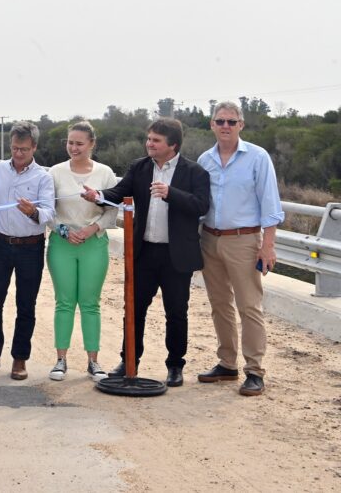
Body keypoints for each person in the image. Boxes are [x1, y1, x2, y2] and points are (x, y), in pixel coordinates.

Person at [82, 118, 210, 388]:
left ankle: (175, 366)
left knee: (176, 312)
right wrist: (98, 195)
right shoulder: (139, 168)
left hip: (177, 256)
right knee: (134, 308)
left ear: (172, 145)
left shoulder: (194, 172)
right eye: (149, 138)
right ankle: (128, 360)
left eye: (156, 140)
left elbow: (201, 206)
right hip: (144, 253)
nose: (149, 143)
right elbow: (119, 192)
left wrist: (170, 193)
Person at [196, 101, 284, 396]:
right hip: (209, 238)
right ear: (211, 124)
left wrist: (267, 245)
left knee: (249, 306)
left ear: (241, 125)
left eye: (231, 122)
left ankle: (255, 370)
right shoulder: (205, 160)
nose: (225, 126)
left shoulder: (257, 158)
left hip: (244, 240)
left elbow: (270, 204)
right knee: (219, 304)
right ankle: (227, 364)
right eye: (220, 121)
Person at [0, 122, 55, 380]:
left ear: (34, 147)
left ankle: (20, 359)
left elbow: (49, 214)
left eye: (23, 149)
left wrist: (32, 211)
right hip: (0, 244)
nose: (18, 154)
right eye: (14, 148)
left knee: (26, 305)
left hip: (30, 248)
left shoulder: (43, 177)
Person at [45, 121, 118, 382]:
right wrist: (64, 231)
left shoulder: (105, 173)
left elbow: (112, 210)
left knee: (90, 303)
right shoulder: (54, 172)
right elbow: (47, 210)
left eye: (79, 143)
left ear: (91, 144)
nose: (73, 147)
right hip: (62, 244)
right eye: (70, 142)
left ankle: (93, 361)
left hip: (93, 243)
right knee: (64, 302)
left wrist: (92, 229)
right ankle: (60, 359)